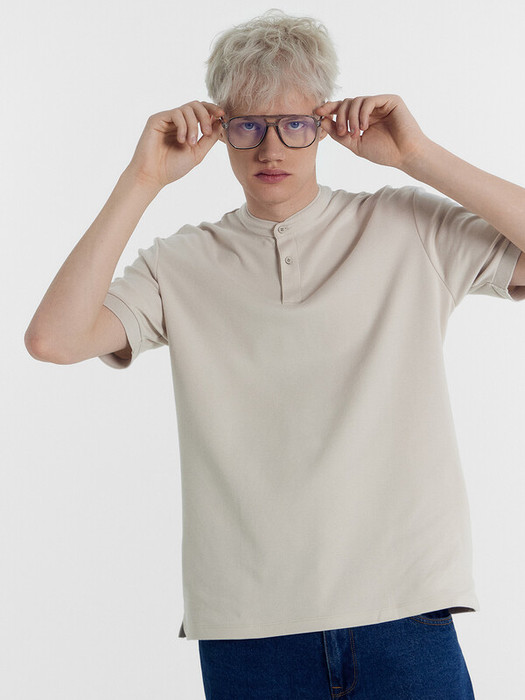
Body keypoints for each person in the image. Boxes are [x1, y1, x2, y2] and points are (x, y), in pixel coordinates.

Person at [24, 9, 525, 699]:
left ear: (325, 123)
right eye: (247, 126)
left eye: (293, 123)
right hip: (249, 631)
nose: (270, 149)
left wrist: (419, 155)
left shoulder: (406, 227)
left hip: (403, 611)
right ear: (218, 129)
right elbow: (53, 339)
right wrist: (143, 178)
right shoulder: (181, 263)